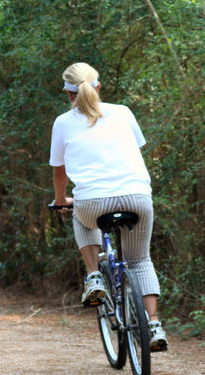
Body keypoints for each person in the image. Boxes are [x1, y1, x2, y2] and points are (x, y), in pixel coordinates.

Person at [49, 62, 168, 351]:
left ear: (67, 92)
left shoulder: (63, 123)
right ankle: (153, 325)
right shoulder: (123, 112)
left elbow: (59, 172)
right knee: (140, 261)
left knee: (80, 217)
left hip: (92, 201)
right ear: (98, 86)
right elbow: (132, 151)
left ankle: (93, 277)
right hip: (137, 196)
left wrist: (62, 199)